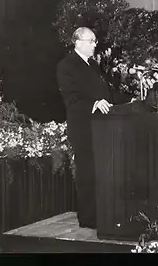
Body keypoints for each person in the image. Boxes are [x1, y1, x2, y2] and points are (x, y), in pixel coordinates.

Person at [56, 27, 131, 229]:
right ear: (78, 42)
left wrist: (131, 99)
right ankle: (88, 218)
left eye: (95, 41)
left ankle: (102, 213)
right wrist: (94, 105)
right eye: (91, 41)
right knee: (87, 172)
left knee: (101, 171)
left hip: (100, 127)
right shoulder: (66, 66)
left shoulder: (92, 65)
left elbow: (105, 93)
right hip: (83, 128)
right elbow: (72, 99)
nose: (95, 45)